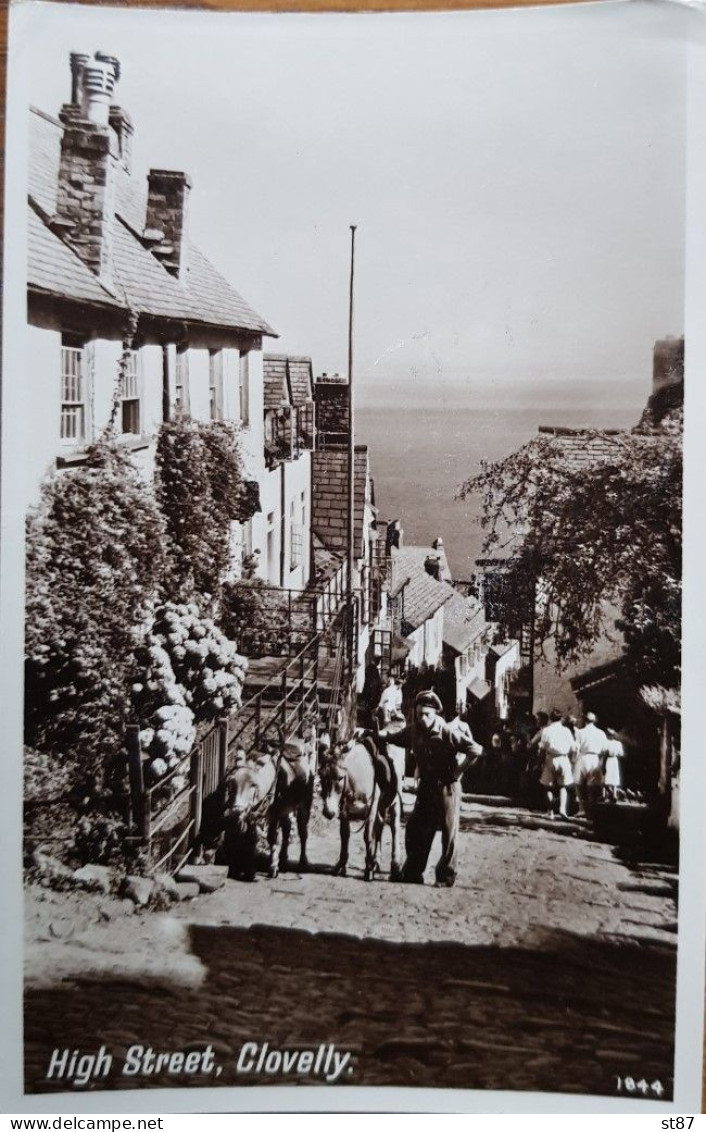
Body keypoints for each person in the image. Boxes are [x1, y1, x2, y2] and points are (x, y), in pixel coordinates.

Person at [379, 690, 484, 886]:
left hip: (447, 786)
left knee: (448, 831)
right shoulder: (414, 730)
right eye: (419, 714)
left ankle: (446, 875)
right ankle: (413, 872)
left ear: (436, 713)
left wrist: (458, 772)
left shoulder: (447, 732)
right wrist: (380, 734)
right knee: (415, 828)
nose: (423, 718)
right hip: (427, 785)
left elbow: (476, 749)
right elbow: (396, 737)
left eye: (427, 714)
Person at [539, 709, 577, 820]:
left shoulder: (546, 730)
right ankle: (562, 809)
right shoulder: (566, 731)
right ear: (561, 718)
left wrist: (540, 761)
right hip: (563, 758)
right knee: (563, 785)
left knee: (548, 786)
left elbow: (542, 748)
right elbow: (573, 748)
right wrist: (571, 760)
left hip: (551, 758)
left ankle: (550, 812)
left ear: (550, 719)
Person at [574, 710, 608, 819]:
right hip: (595, 758)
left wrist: (574, 760)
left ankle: (581, 808)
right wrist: (602, 763)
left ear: (585, 720)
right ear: (594, 721)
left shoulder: (580, 732)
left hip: (583, 757)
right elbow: (604, 750)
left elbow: (576, 748)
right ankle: (590, 810)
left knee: (578, 784)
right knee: (591, 786)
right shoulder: (601, 733)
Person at [604, 727, 625, 802]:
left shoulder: (606, 742)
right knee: (614, 777)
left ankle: (610, 794)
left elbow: (604, 751)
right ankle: (613, 794)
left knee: (607, 778)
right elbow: (621, 753)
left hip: (608, 759)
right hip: (614, 760)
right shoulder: (618, 743)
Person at [361, 654, 383, 726]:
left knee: (369, 709)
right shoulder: (372, 669)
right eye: (378, 661)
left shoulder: (370, 668)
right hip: (371, 694)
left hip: (370, 693)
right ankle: (368, 723)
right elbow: (372, 682)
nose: (379, 663)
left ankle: (368, 723)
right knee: (370, 709)